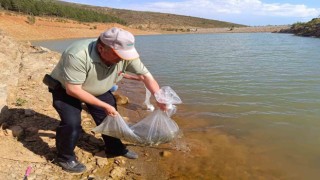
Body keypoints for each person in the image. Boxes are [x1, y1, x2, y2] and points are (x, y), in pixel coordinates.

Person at [46, 27, 166, 173]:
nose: (122, 59)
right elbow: (74, 89)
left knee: (110, 119)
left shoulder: (126, 56)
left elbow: (147, 76)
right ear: (101, 48)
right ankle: (65, 157)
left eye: (125, 55)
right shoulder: (77, 54)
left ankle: (114, 148)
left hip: (99, 89)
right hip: (66, 90)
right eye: (118, 55)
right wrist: (104, 105)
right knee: (72, 123)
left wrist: (159, 97)